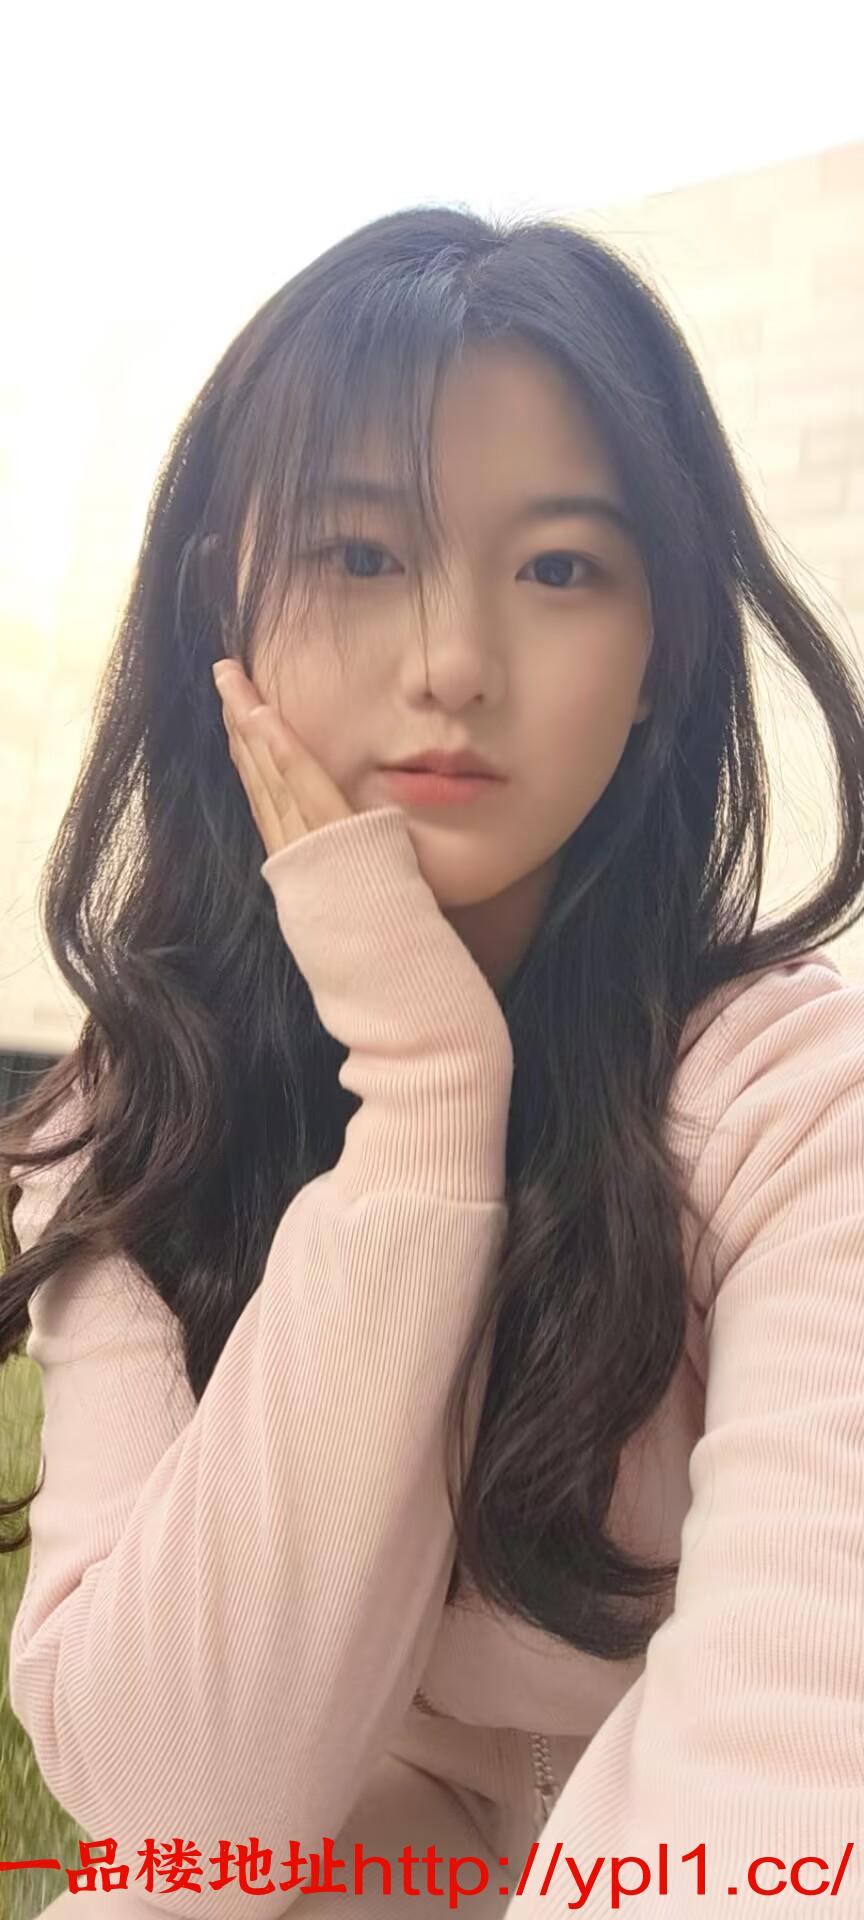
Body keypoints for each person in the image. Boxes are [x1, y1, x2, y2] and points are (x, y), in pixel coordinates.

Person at [1, 205, 863, 1920]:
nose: (455, 665)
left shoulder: (795, 1103)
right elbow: (180, 1811)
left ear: (661, 657)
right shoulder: (142, 1105)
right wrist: (422, 1098)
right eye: (358, 553)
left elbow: (793, 1785)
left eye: (560, 570)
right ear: (222, 610)